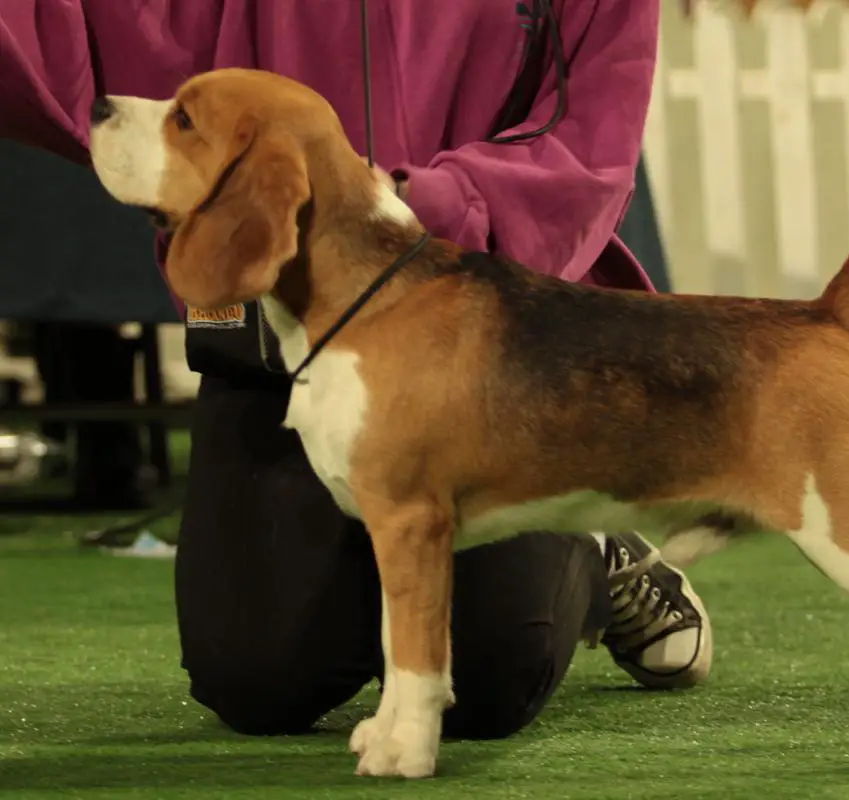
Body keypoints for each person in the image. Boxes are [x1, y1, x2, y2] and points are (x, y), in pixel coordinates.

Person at [0, 0, 713, 739]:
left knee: (487, 681)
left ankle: (597, 543)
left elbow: (586, 150)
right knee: (257, 683)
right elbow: (91, 35)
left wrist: (398, 211)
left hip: (494, 352)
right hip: (281, 348)